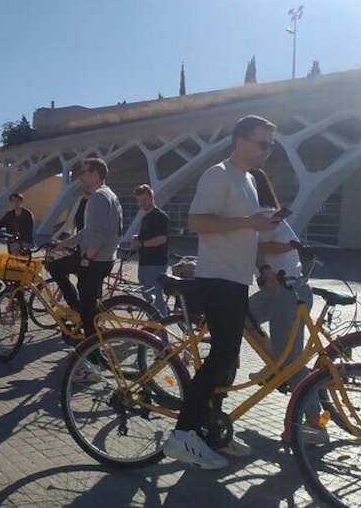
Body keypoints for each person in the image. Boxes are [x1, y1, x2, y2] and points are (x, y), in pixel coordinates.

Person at [162, 115, 278, 470]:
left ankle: (212, 428)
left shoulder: (249, 182)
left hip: (238, 279)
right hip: (218, 279)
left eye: (271, 145)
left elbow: (250, 234)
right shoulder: (218, 175)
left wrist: (263, 269)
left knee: (228, 359)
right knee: (222, 357)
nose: (268, 151)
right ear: (240, 140)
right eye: (263, 144)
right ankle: (182, 436)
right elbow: (197, 222)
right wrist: (249, 222)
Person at [246, 168, 327, 445]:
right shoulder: (264, 214)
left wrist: (253, 252)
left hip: (287, 292)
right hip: (280, 290)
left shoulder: (265, 214)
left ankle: (315, 425)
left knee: (291, 363)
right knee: (241, 316)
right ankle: (272, 365)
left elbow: (280, 246)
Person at [53, 158, 122, 344]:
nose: (80, 177)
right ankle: (82, 315)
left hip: (95, 260)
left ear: (94, 174)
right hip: (104, 259)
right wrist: (65, 243)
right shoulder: (109, 195)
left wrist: (86, 256)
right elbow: (89, 230)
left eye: (83, 173)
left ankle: (92, 358)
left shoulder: (99, 197)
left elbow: (99, 233)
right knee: (89, 304)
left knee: (86, 312)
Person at [45, 192, 90, 310]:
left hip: (90, 251)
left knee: (55, 268)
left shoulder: (97, 201)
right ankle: (77, 308)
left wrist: (65, 243)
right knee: (59, 267)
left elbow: (88, 230)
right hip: (81, 248)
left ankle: (76, 307)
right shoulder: (80, 200)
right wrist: (55, 239)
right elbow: (69, 223)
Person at [130, 184, 170, 318]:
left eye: (144, 200)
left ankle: (161, 330)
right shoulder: (145, 218)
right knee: (148, 300)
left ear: (152, 197)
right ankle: (152, 328)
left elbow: (161, 239)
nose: (142, 203)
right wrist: (137, 239)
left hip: (156, 264)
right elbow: (145, 238)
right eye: (139, 201)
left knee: (156, 301)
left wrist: (142, 243)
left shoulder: (161, 216)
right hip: (144, 264)